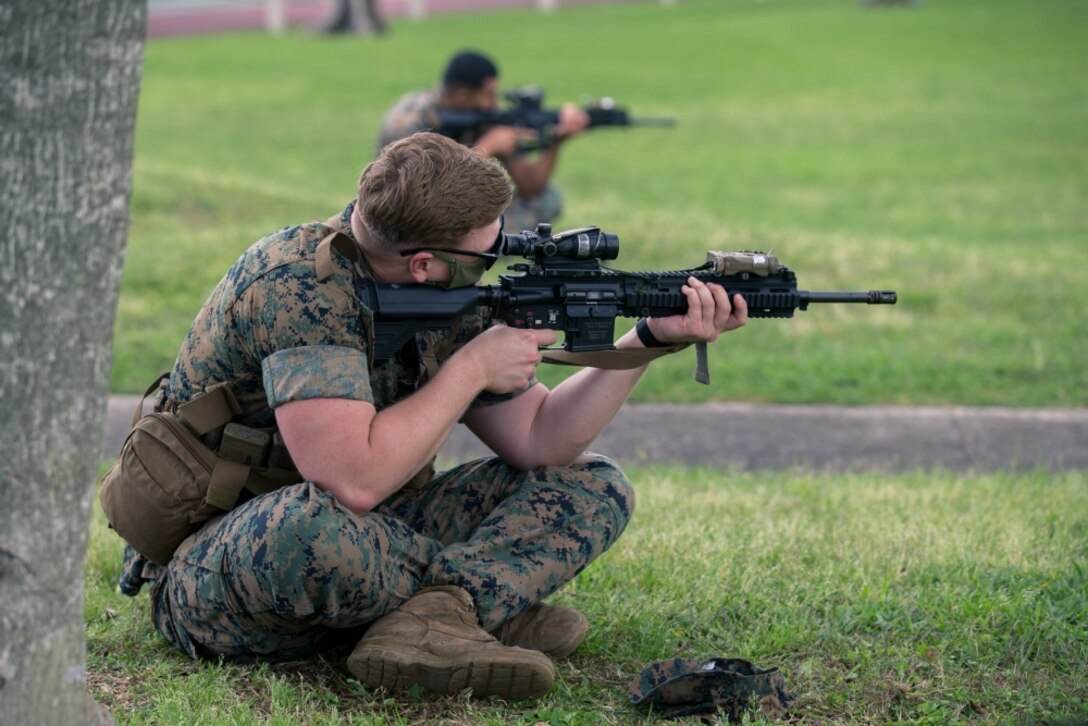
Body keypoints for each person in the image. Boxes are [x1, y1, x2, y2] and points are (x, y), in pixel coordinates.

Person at [117, 132, 747, 701]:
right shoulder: (297, 287)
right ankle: (467, 610)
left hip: (377, 537)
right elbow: (351, 481)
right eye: (483, 253)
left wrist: (646, 341)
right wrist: (470, 369)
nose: (496, 259)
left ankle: (440, 615)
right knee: (304, 527)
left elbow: (539, 440)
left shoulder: (444, 284)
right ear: (425, 262)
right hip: (224, 564)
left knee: (592, 485)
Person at [376, 50, 590, 234]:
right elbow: (417, 196)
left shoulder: (486, 116)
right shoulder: (407, 122)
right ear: (461, 97)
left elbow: (530, 186)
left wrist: (555, 142)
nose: (494, 104)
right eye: (489, 95)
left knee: (547, 199)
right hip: (411, 212)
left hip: (457, 206)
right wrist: (486, 148)